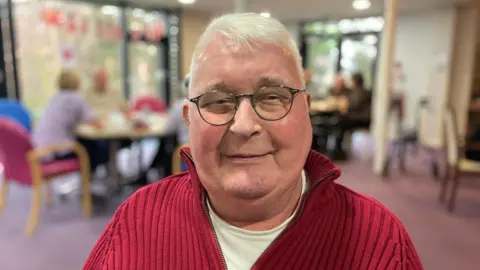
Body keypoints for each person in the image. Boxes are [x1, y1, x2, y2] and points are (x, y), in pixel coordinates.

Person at [84, 13, 422, 270]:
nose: (244, 126)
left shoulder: (379, 241)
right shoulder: (137, 219)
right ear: (189, 120)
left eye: (273, 96)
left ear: (305, 112)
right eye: (217, 100)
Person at [33, 69, 109, 173]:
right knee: (101, 148)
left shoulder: (54, 98)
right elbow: (97, 124)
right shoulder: (76, 99)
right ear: (77, 82)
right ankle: (90, 180)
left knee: (88, 143)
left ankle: (90, 179)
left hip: (39, 150)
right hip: (56, 151)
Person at [332, 72, 372, 160]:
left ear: (355, 81)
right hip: (358, 117)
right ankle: (337, 150)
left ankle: (338, 151)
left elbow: (353, 105)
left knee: (341, 122)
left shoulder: (360, 92)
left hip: (361, 119)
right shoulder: (358, 91)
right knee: (340, 121)